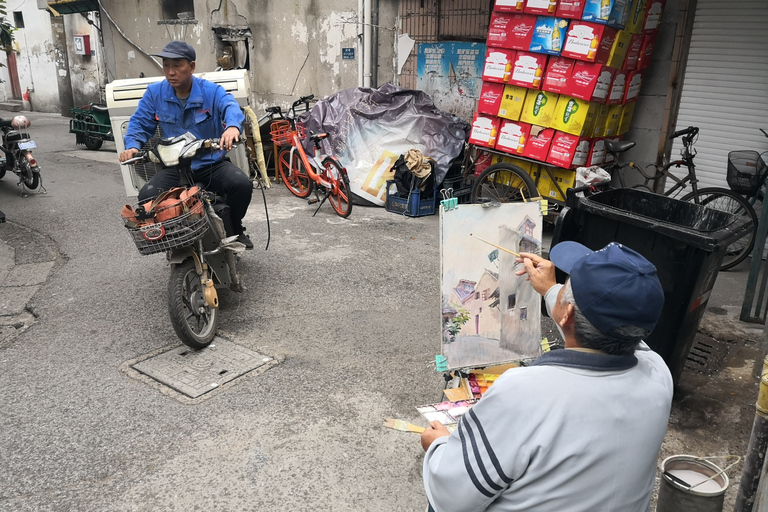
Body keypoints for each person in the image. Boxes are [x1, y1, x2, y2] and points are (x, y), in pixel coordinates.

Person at [421, 241, 674, 512]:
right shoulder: (658, 374)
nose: (562, 287)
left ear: (568, 314)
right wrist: (552, 289)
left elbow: (452, 497)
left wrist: (438, 446)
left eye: (568, 285)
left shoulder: (526, 393)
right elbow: (606, 329)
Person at [118, 40, 253, 249]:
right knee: (147, 196)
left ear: (191, 67)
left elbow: (230, 106)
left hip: (210, 163)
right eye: (166, 65)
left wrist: (233, 127)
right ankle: (175, 238)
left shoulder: (211, 91)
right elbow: (139, 123)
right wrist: (133, 146)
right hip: (175, 167)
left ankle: (235, 227)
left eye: (177, 65)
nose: (170, 72)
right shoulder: (155, 94)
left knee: (241, 185)